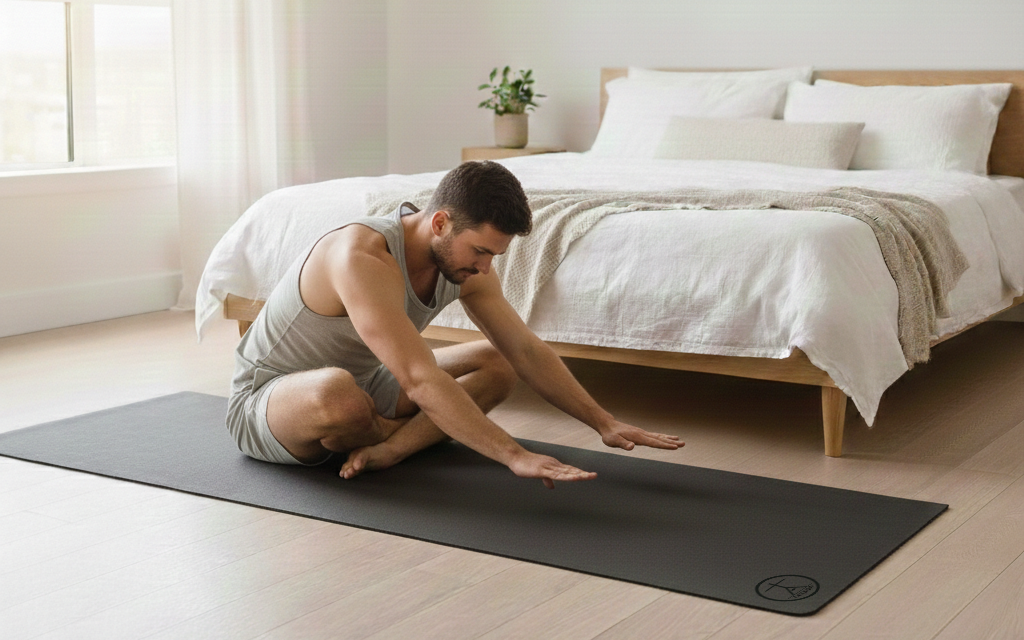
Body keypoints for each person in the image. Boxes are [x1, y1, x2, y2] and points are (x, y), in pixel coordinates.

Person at [227, 161, 682, 488]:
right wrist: (513, 455)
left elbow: (524, 350)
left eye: (494, 256)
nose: (485, 267)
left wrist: (602, 422)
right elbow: (420, 377)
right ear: (440, 222)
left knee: (498, 361)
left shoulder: (464, 267)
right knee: (336, 393)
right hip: (269, 400)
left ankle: (391, 447)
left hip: (370, 381)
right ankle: (388, 430)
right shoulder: (361, 257)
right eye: (480, 252)